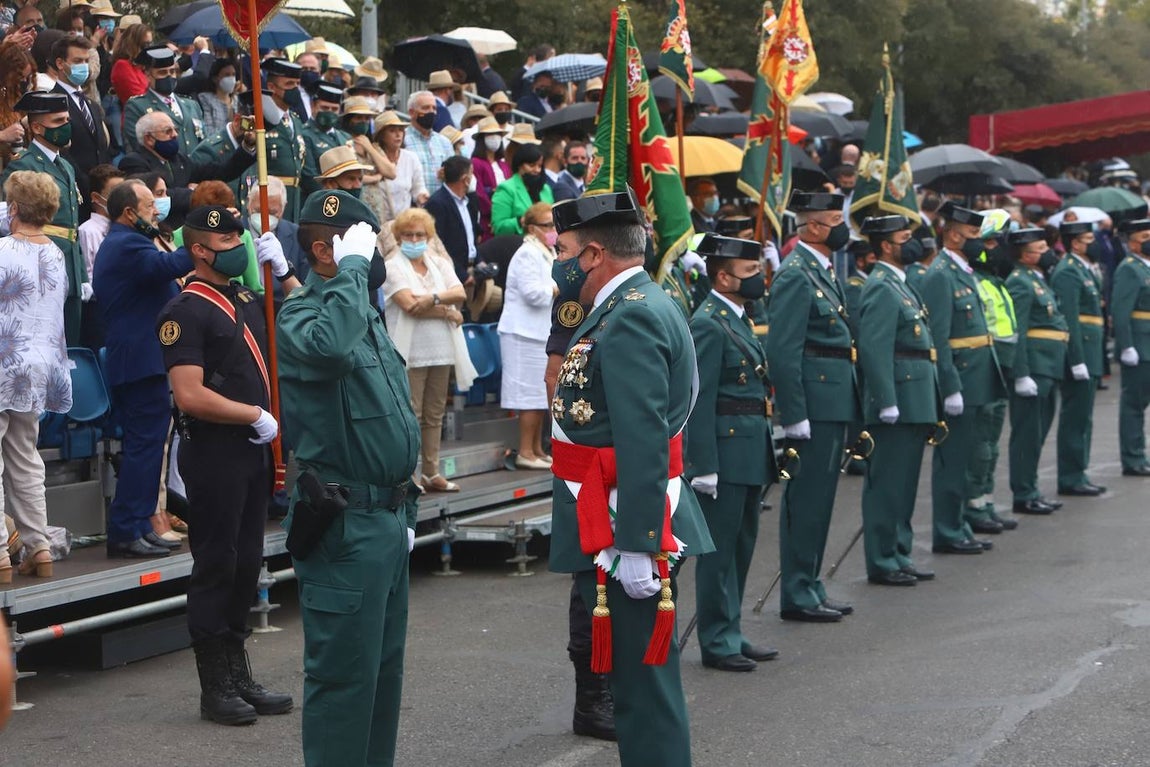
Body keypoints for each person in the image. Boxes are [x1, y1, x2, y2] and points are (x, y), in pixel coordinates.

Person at [548, 190, 713, 767]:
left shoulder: (633, 313)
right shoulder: (634, 303)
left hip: (626, 520)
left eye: (562, 248)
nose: (557, 258)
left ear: (593, 255)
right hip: (610, 508)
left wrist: (639, 542)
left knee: (644, 690)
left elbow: (642, 438)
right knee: (634, 680)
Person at [277, 190, 421, 767]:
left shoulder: (362, 315)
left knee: (383, 677)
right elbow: (330, 350)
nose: (374, 255)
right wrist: (353, 272)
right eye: (359, 245)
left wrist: (404, 509)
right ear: (324, 251)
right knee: (343, 683)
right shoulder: (304, 315)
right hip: (344, 525)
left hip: (385, 518)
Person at [157, 205, 294, 725]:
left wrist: (285, 272)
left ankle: (239, 673)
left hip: (253, 448)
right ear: (198, 248)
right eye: (226, 236)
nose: (237, 242)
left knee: (245, 561)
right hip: (215, 449)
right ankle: (214, 685)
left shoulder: (247, 296)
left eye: (239, 233)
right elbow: (189, 395)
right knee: (216, 563)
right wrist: (253, 413)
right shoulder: (183, 310)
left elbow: (305, 318)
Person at [765, 191, 860, 622]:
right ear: (816, 227)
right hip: (814, 404)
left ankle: (811, 583)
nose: (845, 228)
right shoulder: (795, 274)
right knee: (805, 501)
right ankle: (798, 590)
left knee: (821, 501)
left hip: (833, 399)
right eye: (836, 219)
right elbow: (784, 352)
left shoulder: (820, 270)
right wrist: (795, 414)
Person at [685, 233, 779, 669]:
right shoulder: (708, 321)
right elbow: (697, 398)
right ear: (722, 278)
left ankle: (732, 629)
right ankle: (717, 639)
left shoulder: (737, 315)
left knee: (741, 547)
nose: (758, 277)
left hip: (749, 447)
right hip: (723, 453)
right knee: (719, 552)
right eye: (749, 272)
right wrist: (702, 464)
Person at [92, 178, 190, 558]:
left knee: (148, 448)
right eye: (150, 204)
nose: (156, 209)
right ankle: (126, 529)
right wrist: (197, 237)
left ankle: (136, 523)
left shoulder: (127, 241)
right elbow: (171, 264)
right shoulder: (127, 243)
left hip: (145, 360)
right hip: (139, 361)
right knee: (144, 448)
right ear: (128, 212)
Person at [856, 215, 938, 586]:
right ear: (886, 245)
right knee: (887, 484)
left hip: (915, 396)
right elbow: (875, 347)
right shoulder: (881, 286)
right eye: (905, 237)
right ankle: (882, 558)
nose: (913, 242)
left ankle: (899, 551)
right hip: (898, 401)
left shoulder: (900, 283)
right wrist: (885, 399)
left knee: (904, 484)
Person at [919, 202, 1005, 554]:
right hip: (961, 378)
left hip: (978, 376)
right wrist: (949, 385)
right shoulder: (940, 274)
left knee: (967, 455)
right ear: (953, 235)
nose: (978, 242)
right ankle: (947, 530)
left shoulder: (962, 270)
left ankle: (960, 524)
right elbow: (938, 336)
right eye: (972, 235)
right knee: (952, 461)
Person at [0, 170, 73, 582]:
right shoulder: (57, 252)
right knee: (26, 457)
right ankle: (39, 546)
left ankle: (0, 554)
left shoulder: (2, 249)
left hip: (2, 360)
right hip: (39, 365)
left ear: (13, 208)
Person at [382, 208, 473, 493]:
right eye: (408, 234)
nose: (414, 239)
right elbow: (409, 305)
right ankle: (409, 474)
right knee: (411, 414)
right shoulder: (392, 265)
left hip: (443, 348)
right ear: (398, 237)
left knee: (435, 414)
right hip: (409, 350)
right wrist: (447, 311)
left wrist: (432, 299)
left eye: (419, 234)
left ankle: (432, 472)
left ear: (428, 236)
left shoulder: (437, 262)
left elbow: (460, 293)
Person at [0, 91, 85, 345]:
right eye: (58, 121)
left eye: (67, 120)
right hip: (39, 267)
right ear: (36, 127)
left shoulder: (66, 166)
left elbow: (72, 227)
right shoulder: (23, 165)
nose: (66, 126)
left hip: (69, 264)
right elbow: (11, 221)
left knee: (71, 346)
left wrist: (83, 275)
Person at [1005, 228, 1067, 514]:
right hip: (1035, 366)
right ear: (1025, 255)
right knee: (1027, 433)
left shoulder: (1037, 279)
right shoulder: (1020, 282)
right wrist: (1021, 373)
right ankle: (1024, 492)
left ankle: (1031, 488)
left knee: (1038, 432)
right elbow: (1019, 330)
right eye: (1040, 248)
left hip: (1049, 365)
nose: (1047, 253)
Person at [965, 210, 1020, 534]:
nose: (997, 247)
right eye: (990, 241)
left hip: (1001, 363)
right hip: (983, 365)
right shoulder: (973, 281)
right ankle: (973, 504)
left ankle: (985, 500)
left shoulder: (996, 283)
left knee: (992, 442)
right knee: (980, 442)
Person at [497, 202, 557, 469]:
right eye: (548, 225)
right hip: (522, 334)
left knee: (539, 394)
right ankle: (525, 451)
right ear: (532, 228)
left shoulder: (547, 251)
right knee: (528, 396)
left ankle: (536, 449)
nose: (553, 230)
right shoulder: (526, 254)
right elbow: (533, 294)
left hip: (539, 332)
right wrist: (561, 286)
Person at [1053, 220, 1107, 496]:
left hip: (1092, 350)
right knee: (1075, 417)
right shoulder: (1068, 272)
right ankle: (1071, 476)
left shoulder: (1083, 269)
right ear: (1075, 243)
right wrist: (1076, 358)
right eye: (1089, 239)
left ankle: (1079, 473)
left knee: (1084, 416)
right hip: (1081, 350)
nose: (1094, 244)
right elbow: (1070, 320)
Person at [47, 34, 111, 223]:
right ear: (60, 63)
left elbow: (102, 147)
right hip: (77, 193)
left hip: (100, 196)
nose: (84, 66)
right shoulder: (52, 102)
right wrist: (86, 184)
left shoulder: (90, 104)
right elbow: (61, 151)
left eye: (85, 60)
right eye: (77, 61)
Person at [1109, 218, 1150, 476]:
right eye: (1144, 236)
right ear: (1132, 243)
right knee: (1134, 404)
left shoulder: (1145, 267)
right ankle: (1133, 458)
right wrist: (1126, 346)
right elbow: (1121, 310)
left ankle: (1139, 455)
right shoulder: (1129, 268)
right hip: (1140, 344)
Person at [122, 44, 205, 155]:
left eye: (172, 72)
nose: (169, 76)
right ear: (147, 75)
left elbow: (203, 141)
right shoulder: (137, 106)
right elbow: (140, 147)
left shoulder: (191, 105)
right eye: (162, 72)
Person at [78, 163, 124, 349]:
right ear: (97, 198)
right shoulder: (88, 231)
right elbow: (90, 277)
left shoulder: (125, 229)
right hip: (102, 311)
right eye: (115, 192)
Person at [424, 155, 480, 284]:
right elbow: (437, 244)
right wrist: (461, 275)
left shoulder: (468, 201)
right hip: (452, 275)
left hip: (470, 270)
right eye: (471, 174)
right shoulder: (437, 203)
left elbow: (473, 237)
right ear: (465, 179)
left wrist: (480, 262)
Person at [299, 82, 350, 197]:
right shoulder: (304, 134)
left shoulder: (345, 137)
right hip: (319, 199)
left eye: (334, 109)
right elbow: (309, 177)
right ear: (313, 105)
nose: (330, 112)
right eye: (325, 108)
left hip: (346, 198)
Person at [491, 143, 554, 236]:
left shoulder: (545, 189)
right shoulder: (506, 189)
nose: (536, 170)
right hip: (518, 245)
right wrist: (521, 220)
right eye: (532, 165)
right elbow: (498, 227)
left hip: (546, 244)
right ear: (519, 165)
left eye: (539, 166)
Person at [376, 110, 426, 225]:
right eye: (392, 131)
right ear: (382, 135)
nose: (398, 134)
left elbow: (418, 187)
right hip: (379, 223)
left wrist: (421, 196)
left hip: (404, 224)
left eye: (400, 130)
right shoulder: (374, 158)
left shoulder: (411, 157)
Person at [405, 90, 454, 197]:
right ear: (412, 112)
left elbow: (455, 175)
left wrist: (448, 173)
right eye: (425, 108)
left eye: (434, 108)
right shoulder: (403, 140)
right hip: (413, 207)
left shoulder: (444, 142)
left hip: (441, 207)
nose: (431, 112)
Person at [470, 116, 510, 239]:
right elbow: (479, 193)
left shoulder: (503, 164)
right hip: (487, 220)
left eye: (498, 134)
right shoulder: (476, 163)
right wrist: (496, 214)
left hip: (506, 217)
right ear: (482, 139)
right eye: (490, 134)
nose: (495, 138)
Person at [0, 42, 33, 169]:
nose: (23, 81)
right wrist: (3, 135)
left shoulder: (14, 94)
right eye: (20, 75)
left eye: (26, 77)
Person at [109, 21, 151, 109]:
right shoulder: (122, 66)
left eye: (150, 44)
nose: (148, 48)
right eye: (145, 44)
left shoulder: (140, 67)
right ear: (133, 44)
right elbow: (140, 99)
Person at [195, 57, 237, 138]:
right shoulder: (205, 99)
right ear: (215, 78)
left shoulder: (237, 99)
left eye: (234, 74)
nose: (231, 78)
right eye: (227, 75)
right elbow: (209, 131)